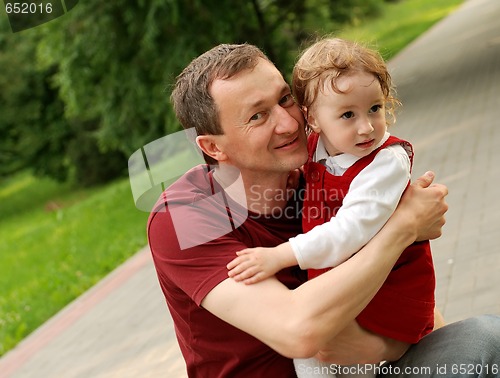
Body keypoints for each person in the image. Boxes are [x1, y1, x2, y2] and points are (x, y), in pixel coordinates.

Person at [147, 43, 500, 378]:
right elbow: (298, 331)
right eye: (258, 116)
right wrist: (404, 226)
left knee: (484, 339)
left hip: (366, 368)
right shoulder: (184, 216)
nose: (288, 123)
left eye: (285, 99)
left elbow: (413, 303)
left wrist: (381, 347)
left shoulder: (328, 167)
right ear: (213, 147)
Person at [225, 38, 435, 377]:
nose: (366, 127)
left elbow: (350, 230)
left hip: (387, 291)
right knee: (311, 349)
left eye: (375, 109)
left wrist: (279, 255)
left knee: (331, 349)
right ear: (314, 120)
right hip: (349, 280)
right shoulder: (315, 148)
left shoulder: (385, 163)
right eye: (348, 114)